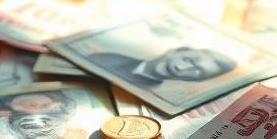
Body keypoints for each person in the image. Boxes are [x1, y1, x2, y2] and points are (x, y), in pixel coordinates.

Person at [89, 46, 237, 91]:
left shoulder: (149, 91)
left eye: (197, 72)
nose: (181, 68)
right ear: (176, 50)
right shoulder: (110, 56)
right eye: (187, 59)